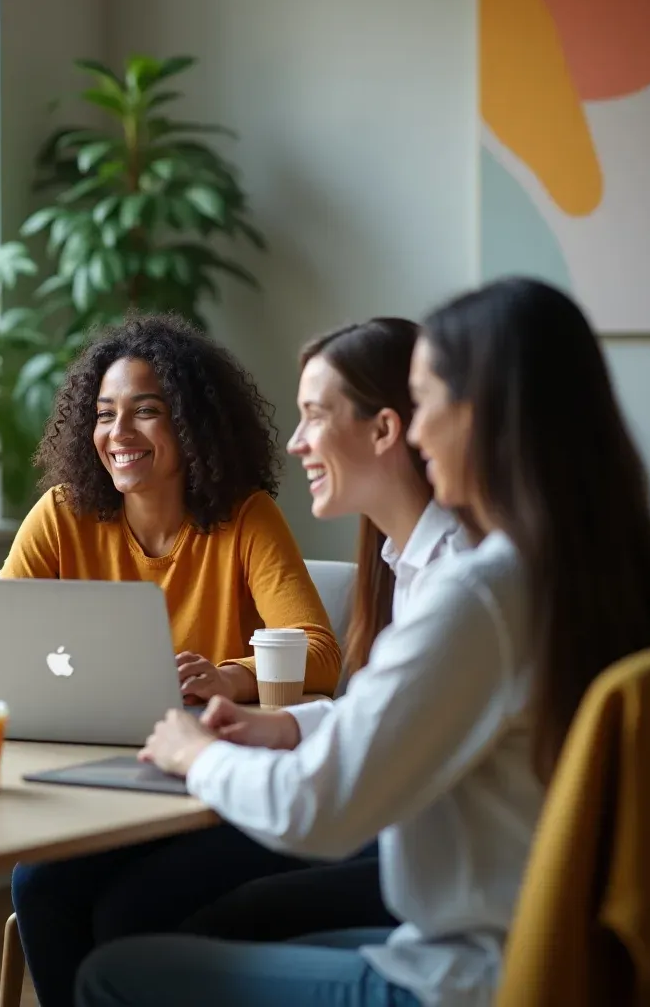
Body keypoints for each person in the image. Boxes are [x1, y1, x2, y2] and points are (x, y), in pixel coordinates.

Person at [76, 277, 650, 1007]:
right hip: (567, 958)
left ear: (479, 416)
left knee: (113, 973)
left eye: (429, 407)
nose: (417, 433)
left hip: (467, 977)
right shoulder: (597, 571)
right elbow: (412, 711)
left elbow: (317, 812)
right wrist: (284, 724)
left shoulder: (480, 594)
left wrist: (197, 753)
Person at [3, 314, 338, 1005]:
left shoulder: (245, 518)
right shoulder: (62, 513)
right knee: (36, 881)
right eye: (103, 414)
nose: (118, 434)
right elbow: (1, 634)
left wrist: (231, 676)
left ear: (191, 424)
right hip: (97, 778)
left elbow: (320, 653)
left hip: (212, 786)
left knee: (120, 909)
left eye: (144, 412)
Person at [183, 316, 472, 943]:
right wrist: (284, 723)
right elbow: (388, 711)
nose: (295, 442)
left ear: (386, 429)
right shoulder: (409, 562)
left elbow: (328, 801)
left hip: (423, 858)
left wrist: (196, 754)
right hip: (404, 831)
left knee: (166, 908)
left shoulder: (461, 583)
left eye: (315, 415)